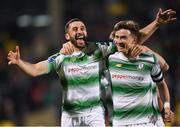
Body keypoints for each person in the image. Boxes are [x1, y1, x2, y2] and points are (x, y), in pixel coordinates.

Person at [7, 9, 176, 127]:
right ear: (67, 36)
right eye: (75, 29)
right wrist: (19, 62)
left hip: (95, 113)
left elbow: (130, 40)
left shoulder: (98, 50)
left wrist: (156, 23)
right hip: (70, 115)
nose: (80, 31)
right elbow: (35, 70)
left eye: (82, 28)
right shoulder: (61, 57)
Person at [108, 20, 173, 127]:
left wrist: (167, 107)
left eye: (123, 37)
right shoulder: (110, 59)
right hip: (120, 122)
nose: (118, 41)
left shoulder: (148, 59)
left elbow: (164, 70)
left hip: (148, 121)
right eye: (117, 37)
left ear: (134, 40)